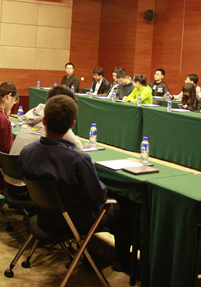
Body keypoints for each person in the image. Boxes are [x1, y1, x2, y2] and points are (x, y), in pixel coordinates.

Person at [18, 95, 134, 271]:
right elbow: (97, 197)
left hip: (43, 215)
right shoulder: (79, 159)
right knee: (125, 207)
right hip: (73, 221)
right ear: (72, 125)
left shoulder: (27, 152)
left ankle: (95, 252)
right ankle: (121, 261)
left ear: (44, 121)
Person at [10, 85, 83, 156]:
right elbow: (78, 147)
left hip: (11, 162)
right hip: (28, 163)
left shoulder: (34, 112)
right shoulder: (57, 118)